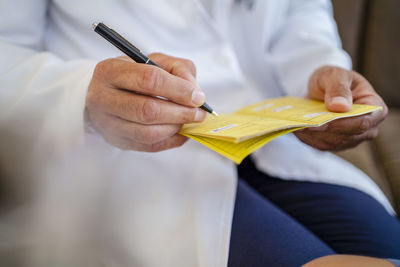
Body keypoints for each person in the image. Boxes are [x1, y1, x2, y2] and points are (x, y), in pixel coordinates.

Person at [0, 0, 399, 266]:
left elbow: (296, 12)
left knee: (384, 247)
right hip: (128, 150)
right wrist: (79, 95)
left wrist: (319, 70)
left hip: (270, 134)